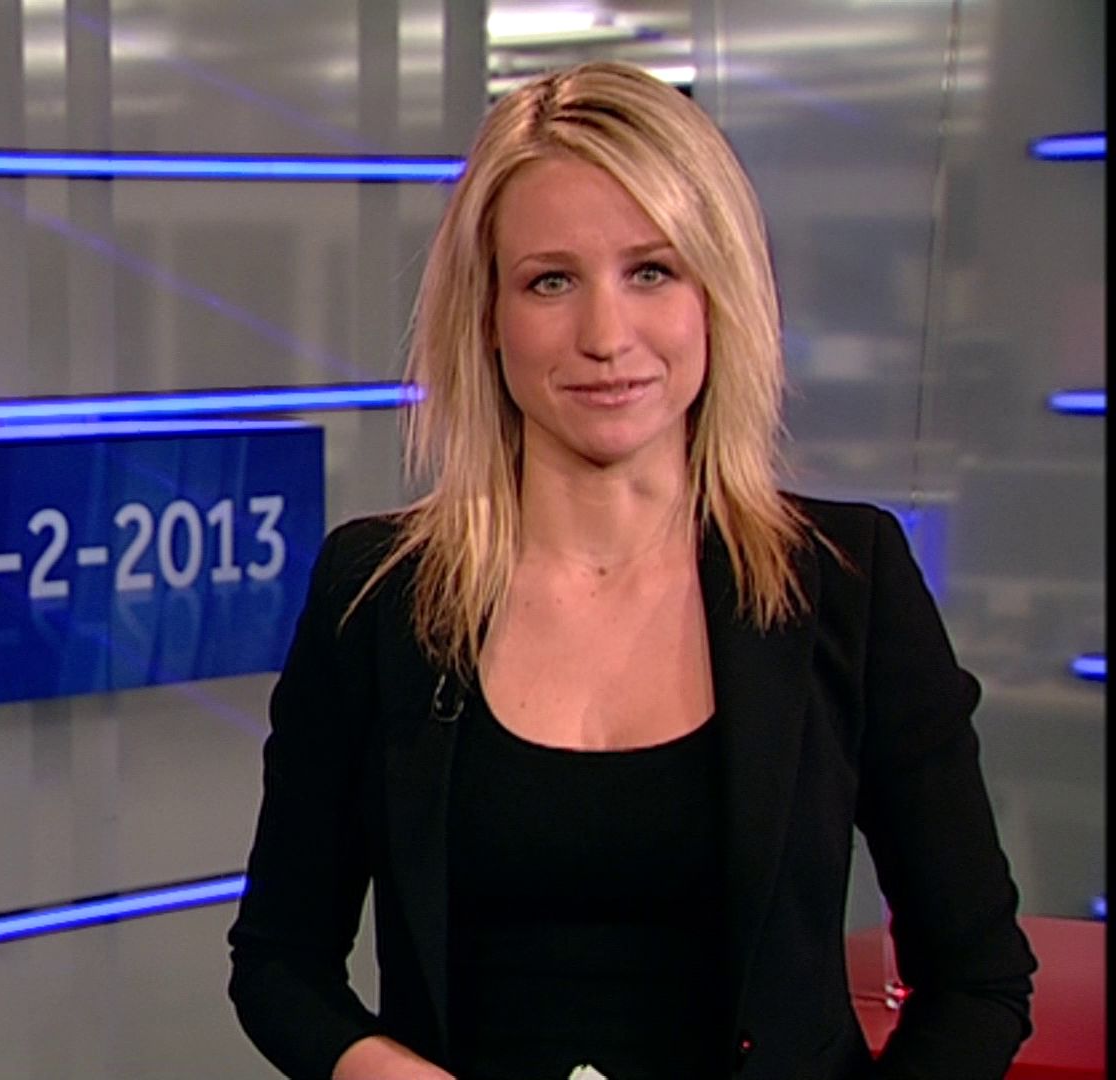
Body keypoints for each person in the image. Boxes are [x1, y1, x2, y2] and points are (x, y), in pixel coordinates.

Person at [227, 61, 1036, 1080]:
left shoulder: (847, 581)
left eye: (651, 272)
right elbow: (280, 963)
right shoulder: (377, 593)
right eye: (550, 281)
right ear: (487, 316)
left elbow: (978, 981)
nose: (606, 338)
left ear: (717, 296)